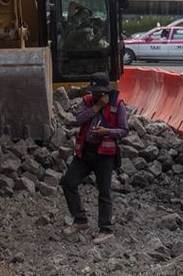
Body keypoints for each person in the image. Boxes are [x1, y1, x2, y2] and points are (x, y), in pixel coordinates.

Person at [60, 72, 129, 244]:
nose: (97, 94)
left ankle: (105, 229)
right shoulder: (87, 101)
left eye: (100, 92)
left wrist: (108, 132)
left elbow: (124, 130)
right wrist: (97, 107)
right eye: (95, 91)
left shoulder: (118, 105)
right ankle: (80, 220)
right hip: (85, 152)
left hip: (105, 155)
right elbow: (78, 119)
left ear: (106, 90)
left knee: (104, 191)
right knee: (68, 182)